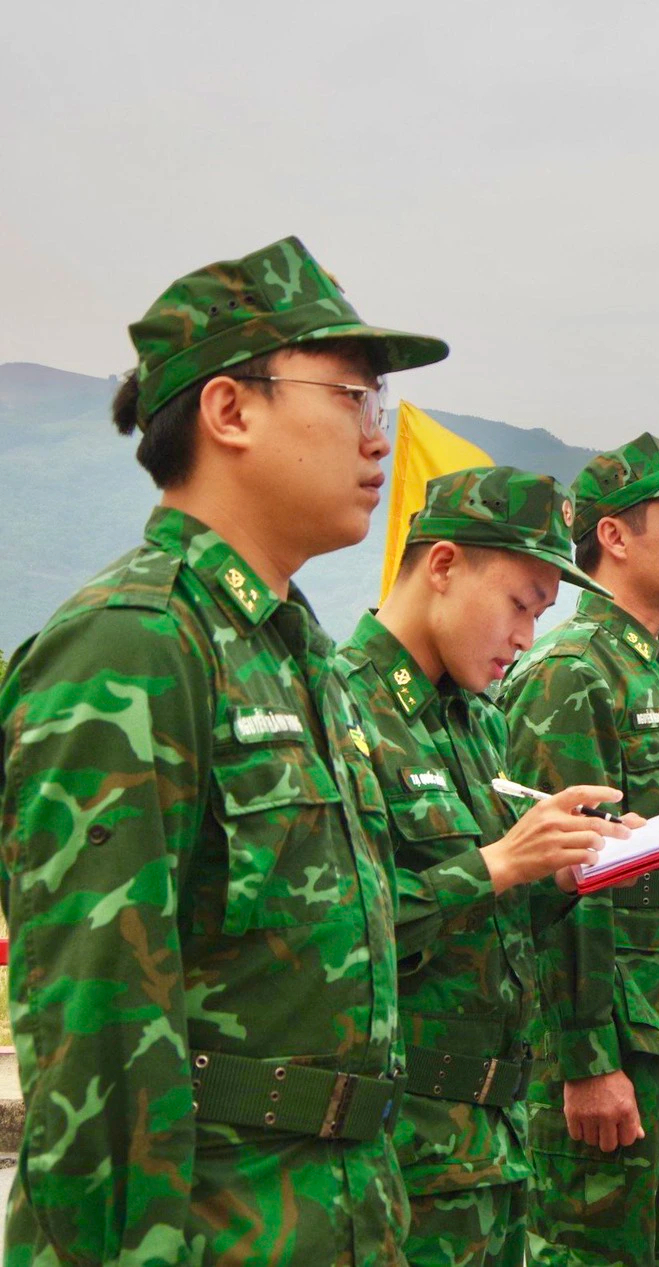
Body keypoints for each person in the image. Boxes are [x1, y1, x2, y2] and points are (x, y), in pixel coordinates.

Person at [0, 237, 444, 1264]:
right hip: (208, 1232)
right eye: (351, 397)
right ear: (230, 411)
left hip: (336, 1215)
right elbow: (97, 1028)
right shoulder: (135, 645)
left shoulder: (295, 653)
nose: (378, 438)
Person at [335, 467, 634, 1267]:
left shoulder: (477, 723)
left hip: (491, 1147)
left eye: (543, 613)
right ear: (442, 566)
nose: (526, 636)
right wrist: (500, 862)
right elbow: (327, 938)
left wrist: (567, 872)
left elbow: (492, 928)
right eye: (519, 603)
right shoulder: (343, 709)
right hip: (398, 1147)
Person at [499, 433, 659, 1267]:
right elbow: (557, 880)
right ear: (614, 536)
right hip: (621, 1039)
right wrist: (586, 1058)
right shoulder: (573, 669)